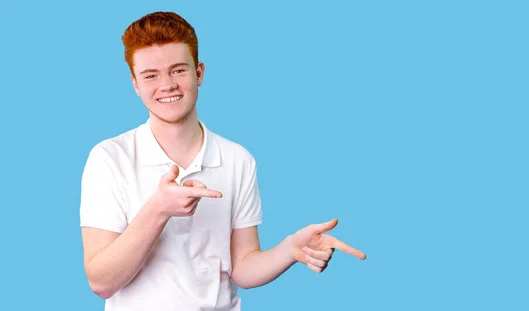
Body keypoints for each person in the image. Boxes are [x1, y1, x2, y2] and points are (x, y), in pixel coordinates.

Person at [79, 11, 366, 311]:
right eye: (151, 75)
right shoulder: (109, 158)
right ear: (135, 85)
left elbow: (242, 266)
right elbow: (102, 282)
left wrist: (291, 249)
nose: (167, 85)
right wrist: (158, 210)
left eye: (178, 70)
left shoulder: (237, 159)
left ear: (199, 73)